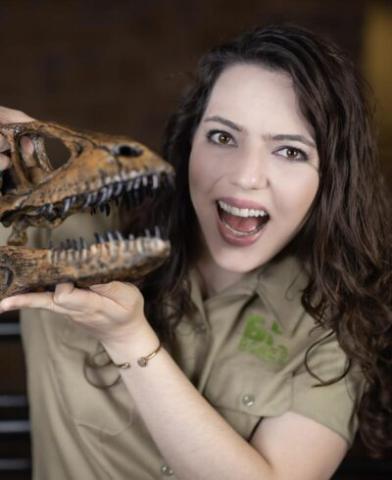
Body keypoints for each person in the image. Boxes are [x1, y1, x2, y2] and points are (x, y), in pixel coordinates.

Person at [0, 24, 391, 480]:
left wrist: (129, 340)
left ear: (331, 179)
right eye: (223, 137)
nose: (247, 176)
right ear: (190, 143)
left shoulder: (335, 325)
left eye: (289, 151)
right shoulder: (69, 228)